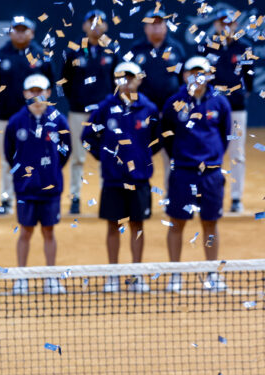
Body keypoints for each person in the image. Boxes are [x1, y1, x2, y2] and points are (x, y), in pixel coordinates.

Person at [81, 62, 160, 292]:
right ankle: (113, 275)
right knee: (113, 226)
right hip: (114, 179)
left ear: (139, 79)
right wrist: (105, 158)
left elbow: (156, 140)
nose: (126, 82)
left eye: (130, 77)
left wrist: (142, 156)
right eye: (121, 78)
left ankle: (136, 275)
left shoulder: (150, 109)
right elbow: (88, 136)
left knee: (137, 225)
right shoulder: (105, 107)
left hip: (139, 179)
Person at [161, 56, 231, 292]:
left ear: (209, 75)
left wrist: (211, 159)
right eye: (191, 73)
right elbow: (167, 136)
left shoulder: (220, 103)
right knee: (177, 223)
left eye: (201, 73)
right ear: (184, 76)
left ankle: (212, 273)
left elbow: (225, 135)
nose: (196, 78)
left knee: (210, 224)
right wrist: (184, 159)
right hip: (183, 173)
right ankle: (175, 274)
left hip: (210, 175)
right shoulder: (174, 102)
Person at [5, 74, 70, 295]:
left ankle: (51, 277)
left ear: (48, 93)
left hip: (51, 188)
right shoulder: (16, 121)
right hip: (25, 189)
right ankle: (21, 277)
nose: (36, 95)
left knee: (49, 232)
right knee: (25, 232)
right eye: (31, 91)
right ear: (25, 94)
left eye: (40, 91)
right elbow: (9, 152)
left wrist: (50, 172)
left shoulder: (59, 120)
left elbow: (65, 150)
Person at [0, 15, 54, 216]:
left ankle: (37, 194)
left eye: (25, 29)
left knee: (39, 156)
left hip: (37, 118)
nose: (20, 33)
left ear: (32, 32)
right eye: (17, 29)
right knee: (8, 159)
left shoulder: (41, 55)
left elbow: (49, 82)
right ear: (10, 31)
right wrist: (2, 101)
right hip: (8, 116)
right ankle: (6, 199)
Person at [61, 9, 118, 214]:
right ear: (84, 26)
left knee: (107, 154)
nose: (95, 25)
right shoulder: (74, 50)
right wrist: (76, 100)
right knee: (77, 157)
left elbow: (117, 81)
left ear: (106, 26)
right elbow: (64, 80)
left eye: (99, 22)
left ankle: (107, 194)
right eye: (91, 22)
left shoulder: (111, 50)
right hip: (78, 112)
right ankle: (75, 197)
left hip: (104, 113)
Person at [201, 8, 255, 213]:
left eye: (229, 22)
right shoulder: (207, 47)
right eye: (221, 23)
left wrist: (237, 96)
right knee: (207, 152)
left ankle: (235, 198)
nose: (226, 26)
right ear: (216, 25)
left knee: (237, 154)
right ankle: (204, 196)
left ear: (235, 24)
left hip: (236, 109)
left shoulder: (245, 47)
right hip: (211, 110)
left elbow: (249, 82)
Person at [128, 9, 185, 193]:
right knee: (141, 151)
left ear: (166, 26)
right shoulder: (136, 50)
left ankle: (172, 193)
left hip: (171, 113)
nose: (156, 27)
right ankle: (139, 190)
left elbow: (184, 79)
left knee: (172, 154)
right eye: (152, 23)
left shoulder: (176, 48)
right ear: (145, 28)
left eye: (159, 23)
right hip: (143, 112)